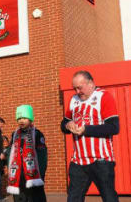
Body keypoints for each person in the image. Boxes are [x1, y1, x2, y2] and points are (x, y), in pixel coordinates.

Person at [61, 71, 120, 202]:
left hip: (101, 160)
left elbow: (114, 127)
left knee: (109, 197)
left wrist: (86, 130)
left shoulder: (104, 97)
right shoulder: (73, 100)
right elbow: (63, 123)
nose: (77, 91)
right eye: (75, 88)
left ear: (91, 84)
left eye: (80, 87)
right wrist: (67, 124)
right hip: (78, 161)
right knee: (73, 198)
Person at [7, 105, 47, 202]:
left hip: (33, 173)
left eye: (24, 118)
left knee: (35, 197)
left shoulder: (37, 134)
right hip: (18, 174)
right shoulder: (15, 134)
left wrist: (41, 172)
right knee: (19, 198)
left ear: (30, 119)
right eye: (19, 118)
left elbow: (42, 155)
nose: (21, 121)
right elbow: (11, 152)